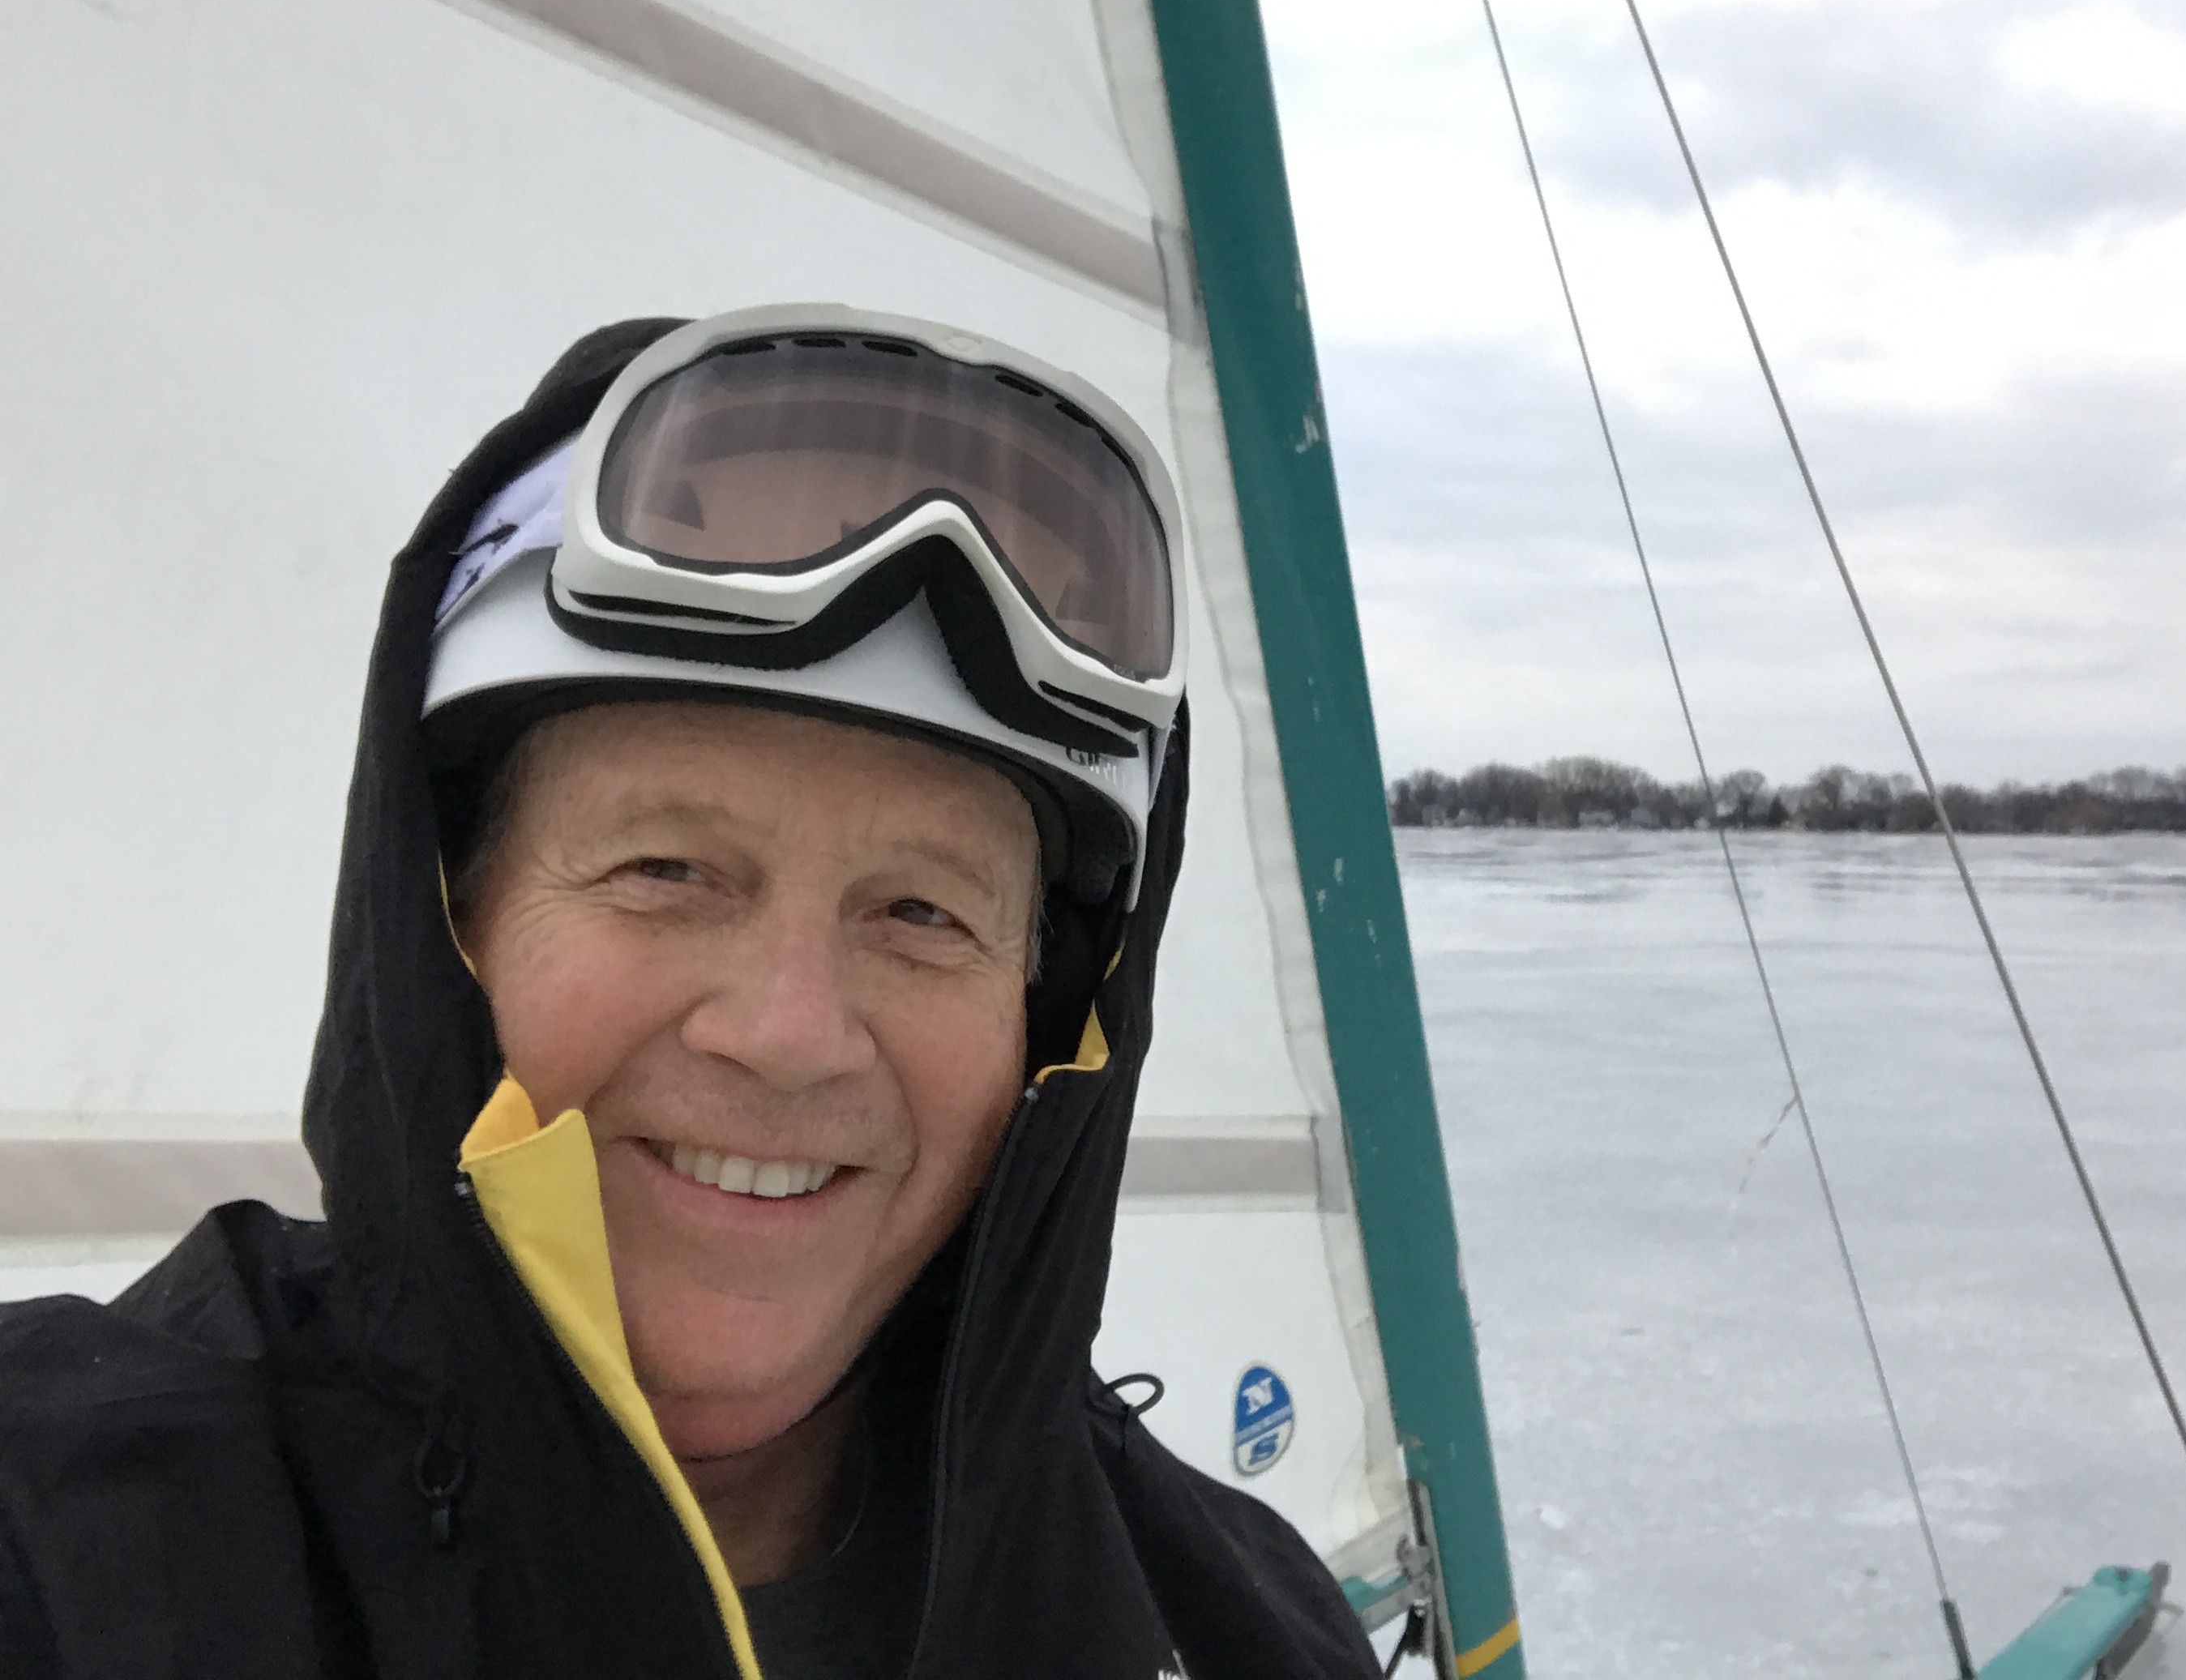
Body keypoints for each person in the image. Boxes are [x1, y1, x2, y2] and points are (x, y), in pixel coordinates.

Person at [0, 306, 1381, 1679]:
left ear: (1050, 1011)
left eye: (923, 913)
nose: (790, 1036)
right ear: (446, 922)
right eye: (666, 869)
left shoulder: (1239, 1623)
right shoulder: (70, 1545)